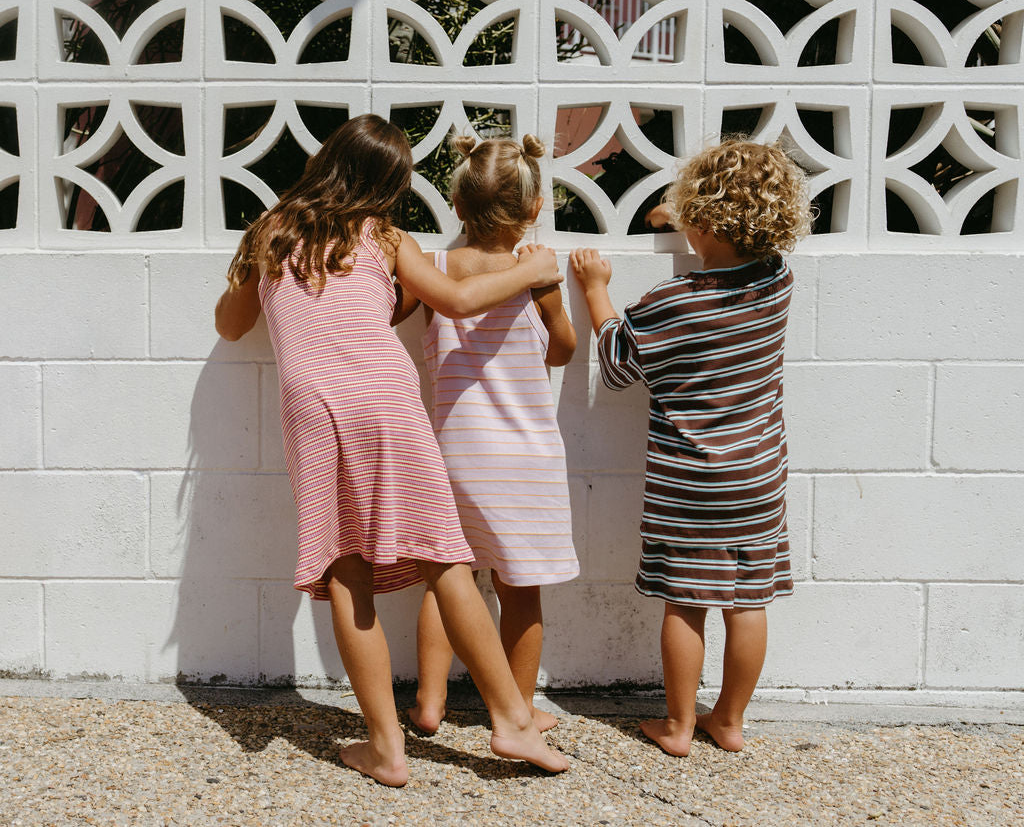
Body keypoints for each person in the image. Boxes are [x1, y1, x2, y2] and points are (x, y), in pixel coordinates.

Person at [213, 114, 569, 786]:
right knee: (445, 558)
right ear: (391, 185)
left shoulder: (271, 231)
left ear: (325, 162)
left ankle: (386, 746)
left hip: (313, 407)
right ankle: (513, 722)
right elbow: (459, 298)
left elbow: (232, 327)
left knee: (347, 570)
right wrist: (536, 271)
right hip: (389, 397)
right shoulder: (383, 234)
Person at [570, 138, 812, 757]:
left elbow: (619, 364)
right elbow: (739, 246)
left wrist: (597, 291)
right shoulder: (777, 281)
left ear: (697, 221)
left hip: (689, 484)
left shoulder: (673, 303)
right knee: (747, 602)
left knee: (687, 602)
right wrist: (692, 221)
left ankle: (677, 726)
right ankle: (727, 721)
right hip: (758, 476)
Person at [403, 135, 579, 737]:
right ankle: (519, 708)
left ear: (456, 204)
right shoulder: (536, 273)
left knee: (449, 577)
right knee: (520, 587)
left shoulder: (437, 269)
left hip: (452, 453)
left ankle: (429, 702)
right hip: (524, 459)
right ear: (534, 210)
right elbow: (563, 348)